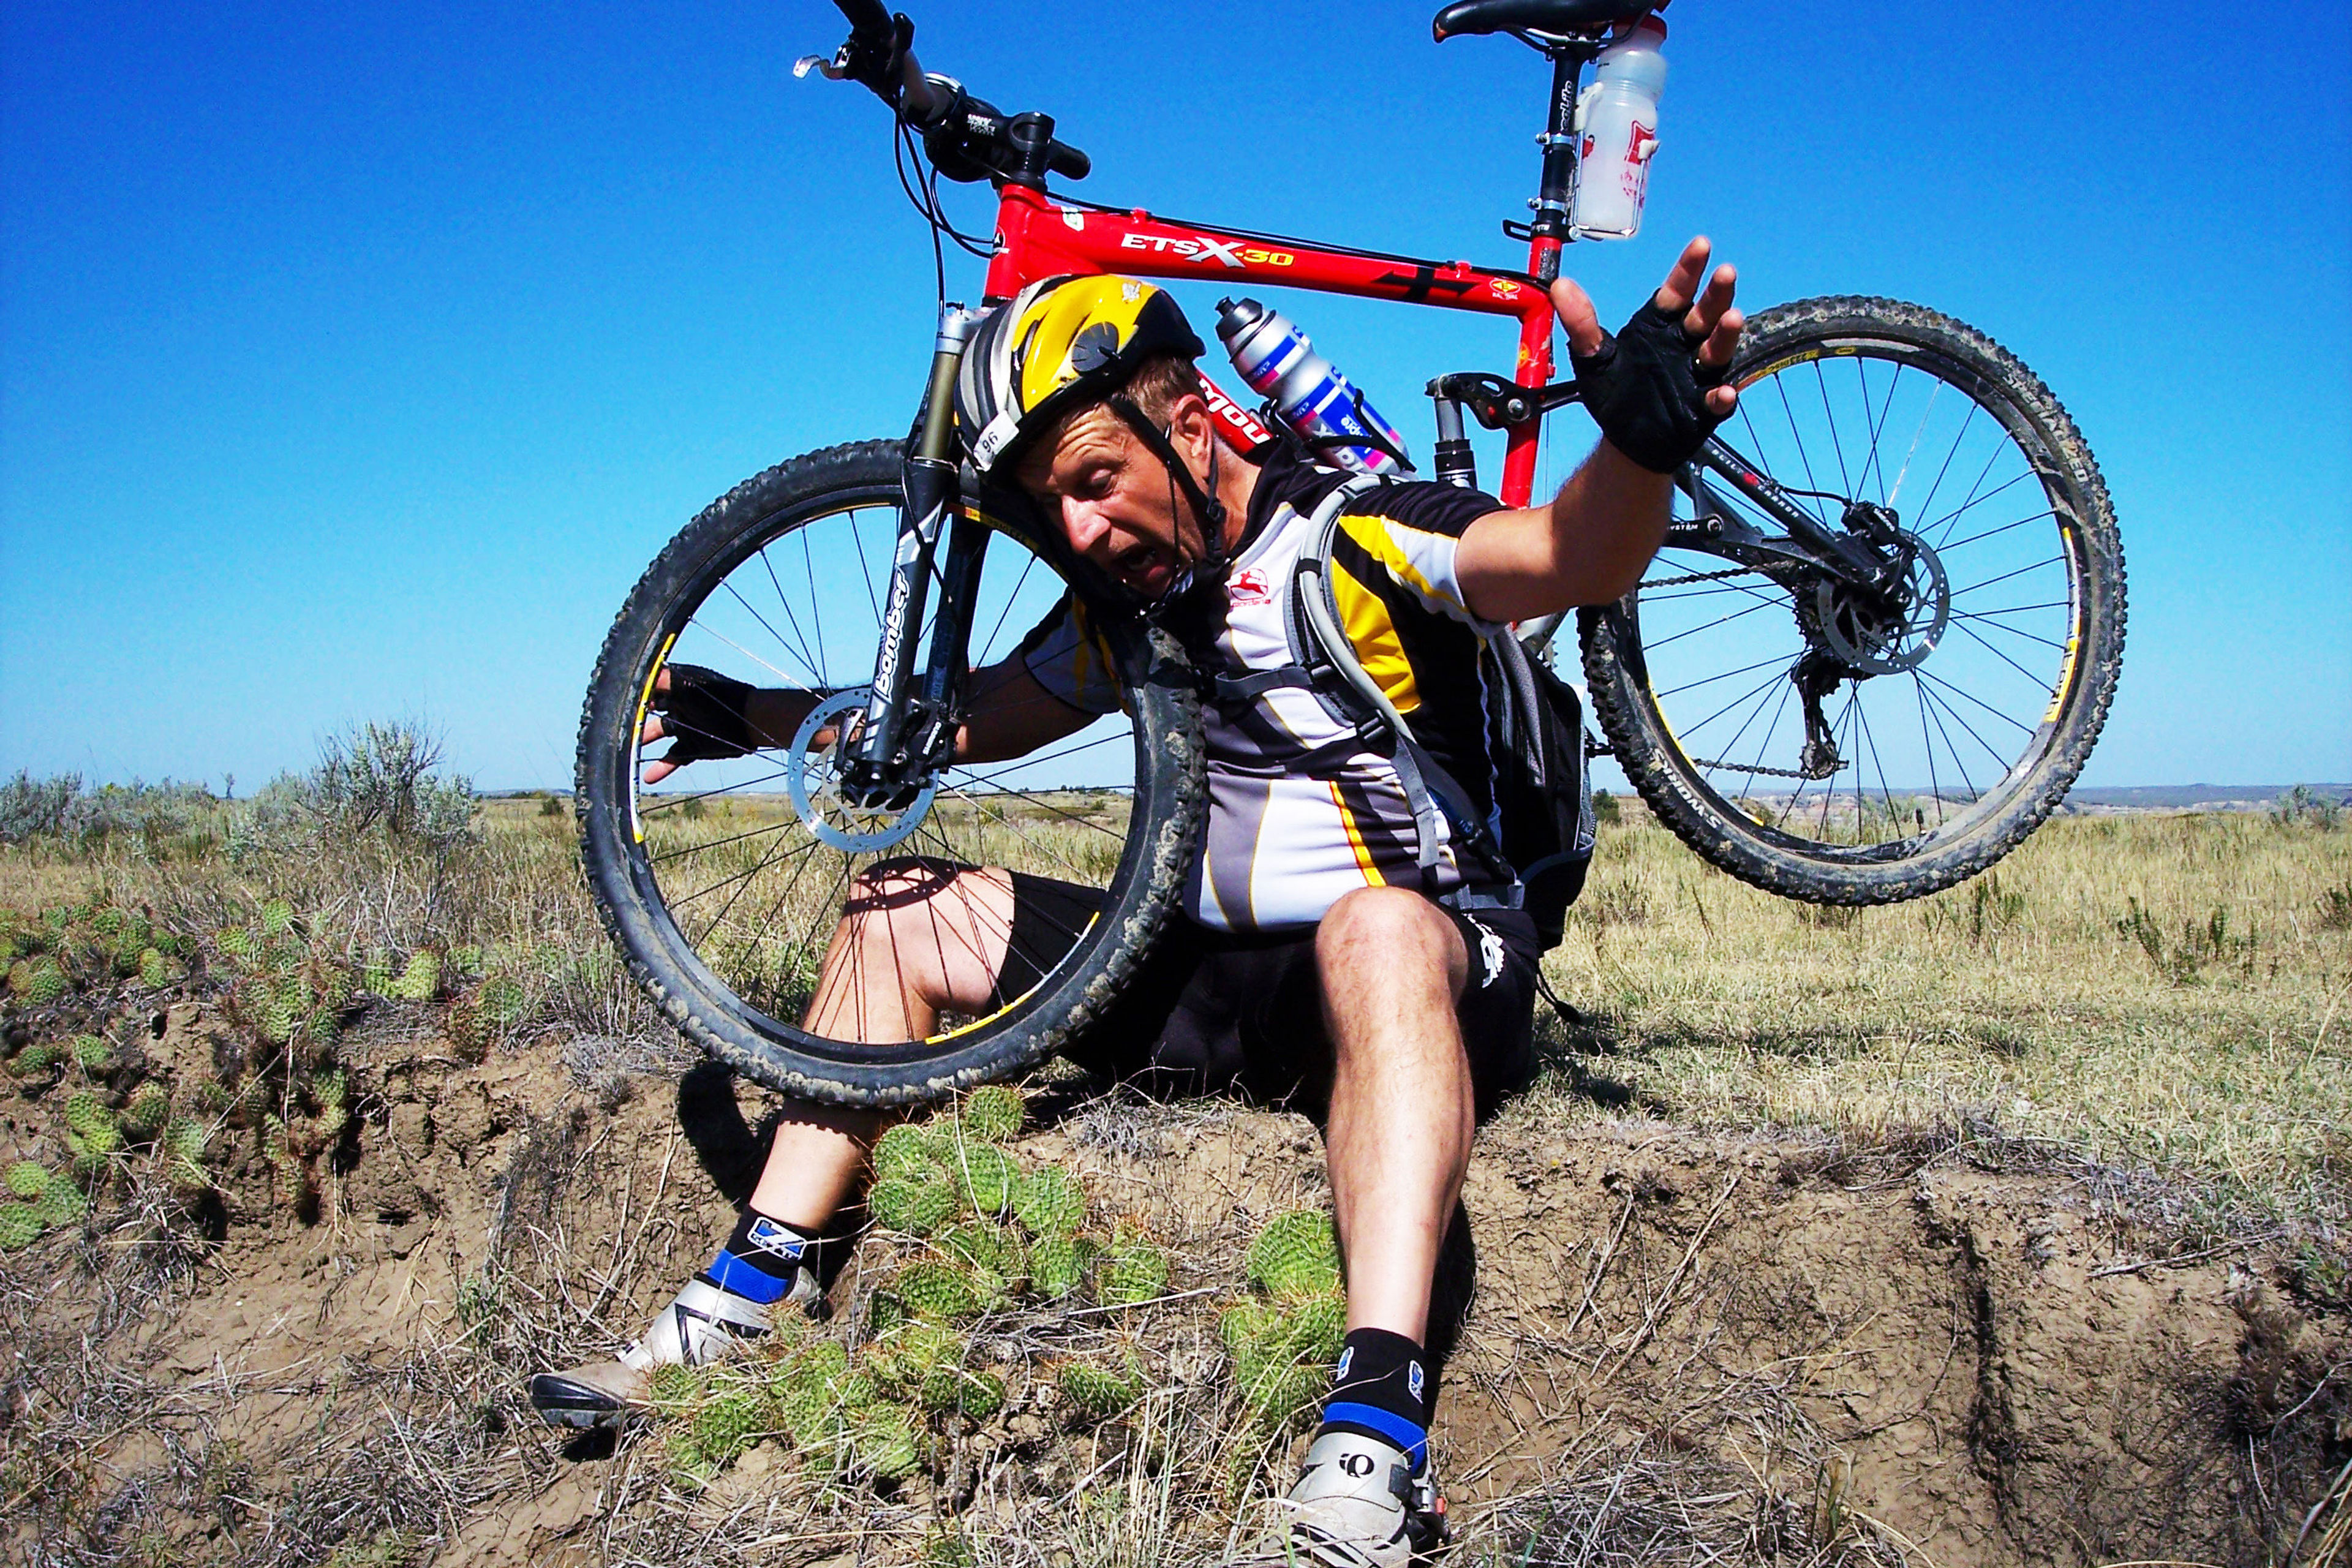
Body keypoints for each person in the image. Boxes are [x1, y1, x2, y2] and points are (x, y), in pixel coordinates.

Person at [531, 239, 1741, 1567]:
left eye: (1097, 483)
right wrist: (755, 720)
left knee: (1375, 923)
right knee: (896, 902)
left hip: (1424, 968)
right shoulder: (1130, 606)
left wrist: (1639, 449)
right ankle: (750, 1283)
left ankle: (1377, 1433)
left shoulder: (1353, 531)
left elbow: (1563, 555)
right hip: (1209, 979)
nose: (1086, 533)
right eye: (1058, 513)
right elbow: (965, 721)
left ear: (1185, 412)